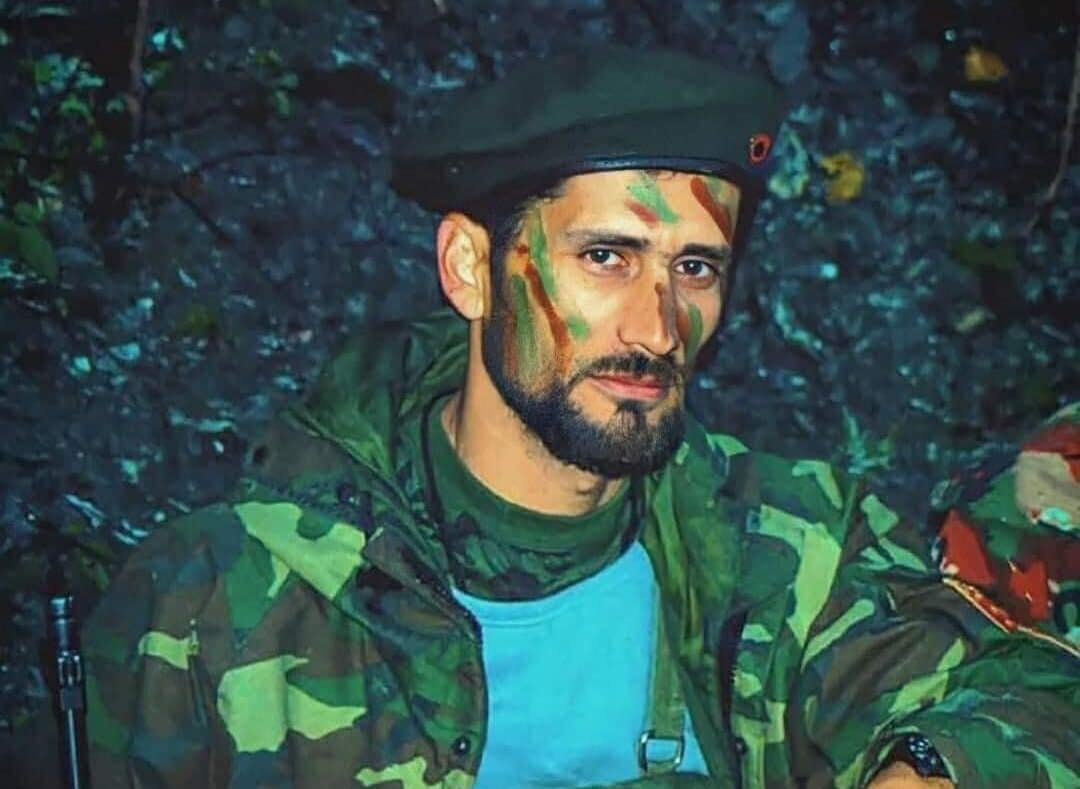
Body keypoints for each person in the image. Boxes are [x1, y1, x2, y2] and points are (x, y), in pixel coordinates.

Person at [82, 47, 1078, 788]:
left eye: (696, 268)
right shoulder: (211, 607)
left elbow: (1037, 693)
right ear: (470, 268)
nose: (658, 327)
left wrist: (926, 770)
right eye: (607, 257)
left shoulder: (790, 551)